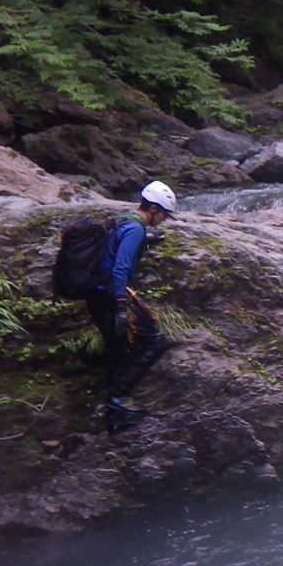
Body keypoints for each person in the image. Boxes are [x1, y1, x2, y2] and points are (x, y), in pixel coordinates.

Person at [87, 180, 176, 434]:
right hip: (111, 296)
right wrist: (120, 307)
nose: (164, 220)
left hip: (97, 294)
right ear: (154, 209)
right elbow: (120, 267)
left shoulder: (125, 219)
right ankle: (118, 398)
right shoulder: (134, 229)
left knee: (120, 350)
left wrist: (147, 240)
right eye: (164, 215)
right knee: (154, 342)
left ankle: (116, 420)